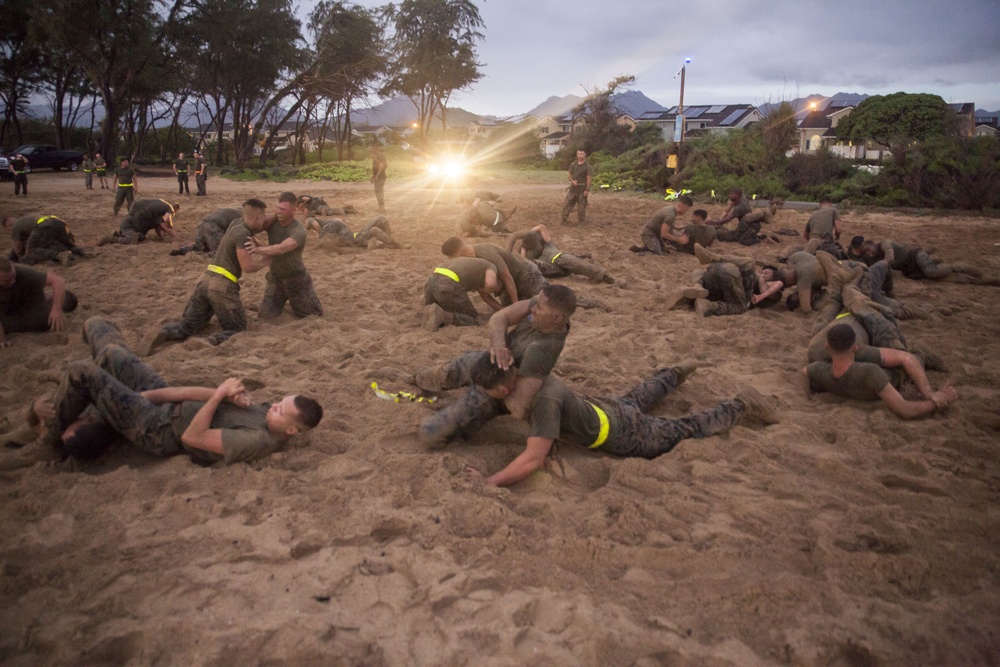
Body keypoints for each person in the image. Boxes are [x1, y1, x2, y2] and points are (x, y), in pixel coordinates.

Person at [36, 318, 323, 465]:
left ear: (292, 431)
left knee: (81, 372)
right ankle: (95, 336)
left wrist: (218, 394)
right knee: (112, 354)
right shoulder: (267, 417)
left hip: (158, 429)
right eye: (278, 402)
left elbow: (192, 437)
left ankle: (50, 435)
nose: (273, 406)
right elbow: (211, 400)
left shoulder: (257, 441)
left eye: (280, 410)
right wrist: (218, 393)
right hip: (165, 405)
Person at [463, 356, 778, 487]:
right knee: (639, 397)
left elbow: (532, 458)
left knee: (684, 429)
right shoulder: (530, 367)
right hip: (605, 407)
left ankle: (741, 404)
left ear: (504, 387)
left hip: (623, 434)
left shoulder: (544, 402)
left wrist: (489, 481)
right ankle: (675, 372)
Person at [417, 285, 577, 446]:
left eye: (539, 308)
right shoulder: (543, 307)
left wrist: (490, 387)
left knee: (430, 433)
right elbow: (499, 317)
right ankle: (417, 380)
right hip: (493, 360)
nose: (533, 308)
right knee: (440, 373)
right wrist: (498, 345)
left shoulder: (541, 350)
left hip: (499, 389)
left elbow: (518, 406)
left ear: (557, 318)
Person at [141, 199, 273, 355]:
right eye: (263, 216)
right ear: (258, 215)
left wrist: (277, 216)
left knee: (189, 325)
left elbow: (257, 227)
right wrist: (266, 260)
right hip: (222, 287)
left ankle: (163, 332)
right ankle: (207, 341)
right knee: (236, 329)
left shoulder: (236, 223)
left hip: (205, 280)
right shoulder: (243, 234)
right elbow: (247, 266)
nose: (265, 220)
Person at [806, 322, 956, 420]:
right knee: (915, 358)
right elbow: (905, 410)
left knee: (904, 357)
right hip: (898, 374)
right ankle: (922, 354)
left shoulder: (819, 370)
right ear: (855, 347)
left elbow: (805, 371)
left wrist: (927, 392)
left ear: (826, 347)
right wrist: (939, 399)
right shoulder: (870, 372)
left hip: (862, 366)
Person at [246, 191, 322, 319]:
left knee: (313, 315)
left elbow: (281, 248)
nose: (279, 211)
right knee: (265, 316)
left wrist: (257, 249)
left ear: (294, 210)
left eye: (283, 209)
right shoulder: (273, 222)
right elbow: (253, 228)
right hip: (276, 278)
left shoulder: (298, 230)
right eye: (277, 208)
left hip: (296, 279)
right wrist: (256, 242)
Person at [665, 243, 782, 316]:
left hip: (719, 275)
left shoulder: (774, 288)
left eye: (767, 273)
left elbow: (775, 291)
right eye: (763, 272)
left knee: (698, 272)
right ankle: (706, 300)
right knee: (741, 307)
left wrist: (764, 285)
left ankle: (696, 293)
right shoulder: (753, 277)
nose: (763, 274)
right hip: (726, 273)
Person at [508, 224, 625, 286]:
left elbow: (541, 226)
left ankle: (609, 278)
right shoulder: (531, 258)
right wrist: (522, 247)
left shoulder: (548, 244)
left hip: (560, 261)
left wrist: (528, 233)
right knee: (532, 265)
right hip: (549, 269)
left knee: (577, 264)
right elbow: (523, 261)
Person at [0, 258, 77, 347]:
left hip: (28, 304)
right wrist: (2, 340)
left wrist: (57, 309)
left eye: (14, 277)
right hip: (7, 312)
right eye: (7, 280)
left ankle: (55, 301)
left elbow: (57, 280)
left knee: (46, 321)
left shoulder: (23, 273)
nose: (12, 281)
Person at [422, 255, 501, 330]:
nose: (495, 293)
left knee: (445, 309)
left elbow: (486, 297)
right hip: (447, 283)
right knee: (472, 318)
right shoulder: (491, 266)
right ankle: (443, 315)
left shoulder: (474, 268)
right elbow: (490, 284)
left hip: (430, 283)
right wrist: (489, 289)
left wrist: (502, 310)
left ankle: (430, 311)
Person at [860, 238, 986, 283]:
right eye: (866, 252)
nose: (868, 253)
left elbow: (890, 257)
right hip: (911, 269)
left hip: (916, 256)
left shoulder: (884, 244)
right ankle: (973, 280)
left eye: (868, 249)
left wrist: (879, 265)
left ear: (873, 244)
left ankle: (958, 267)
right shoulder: (874, 258)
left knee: (931, 272)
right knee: (940, 279)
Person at [3, 214, 87, 266]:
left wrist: (22, 257)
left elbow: (18, 247)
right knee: (64, 243)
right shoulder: (26, 220)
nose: (10, 231)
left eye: (8, 230)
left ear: (9, 226)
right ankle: (80, 253)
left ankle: (59, 255)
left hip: (45, 226)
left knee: (31, 251)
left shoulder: (15, 227)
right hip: (60, 223)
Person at [707, 188, 780, 246]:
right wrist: (718, 221)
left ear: (737, 195)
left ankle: (763, 238)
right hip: (753, 225)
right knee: (725, 230)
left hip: (747, 226)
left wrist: (713, 222)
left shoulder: (739, 208)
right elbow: (726, 212)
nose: (729, 195)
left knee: (741, 240)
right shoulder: (743, 199)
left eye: (731, 194)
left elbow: (727, 220)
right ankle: (764, 218)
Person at [171, 208, 244, 256]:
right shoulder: (243, 217)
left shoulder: (235, 211)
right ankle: (205, 256)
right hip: (212, 227)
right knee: (221, 252)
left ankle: (184, 250)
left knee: (201, 248)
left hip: (201, 225)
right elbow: (241, 234)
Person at [306, 215, 399, 252]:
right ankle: (393, 244)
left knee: (378, 223)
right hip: (356, 237)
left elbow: (312, 223)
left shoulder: (327, 227)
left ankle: (390, 243)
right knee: (380, 222)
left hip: (356, 237)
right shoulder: (330, 224)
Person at [109, 199, 180, 245]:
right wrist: (177, 238)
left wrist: (160, 237)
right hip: (133, 225)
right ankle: (113, 239)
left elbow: (158, 227)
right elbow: (166, 222)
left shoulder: (159, 205)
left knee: (128, 233)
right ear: (175, 210)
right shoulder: (167, 210)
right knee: (135, 238)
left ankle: (116, 235)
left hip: (127, 220)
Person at [560, 149, 592, 225]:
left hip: (582, 188)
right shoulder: (573, 164)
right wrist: (572, 181)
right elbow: (569, 175)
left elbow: (589, 178)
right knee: (567, 204)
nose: (579, 155)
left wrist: (587, 190)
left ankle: (581, 221)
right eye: (578, 154)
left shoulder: (587, 166)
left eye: (581, 154)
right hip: (573, 188)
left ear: (585, 154)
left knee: (581, 206)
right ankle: (564, 220)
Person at [371, 145, 387, 212]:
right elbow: (386, 165)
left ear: (375, 149)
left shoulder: (379, 156)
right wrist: (374, 175)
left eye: (372, 149)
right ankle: (381, 207)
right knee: (379, 192)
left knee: (378, 192)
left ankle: (382, 207)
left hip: (379, 177)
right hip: (379, 176)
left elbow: (383, 165)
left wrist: (377, 175)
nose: (371, 151)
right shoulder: (378, 156)